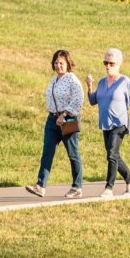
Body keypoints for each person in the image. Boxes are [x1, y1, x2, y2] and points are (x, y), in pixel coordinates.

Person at [25, 50, 85, 198]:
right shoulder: (54, 79)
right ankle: (40, 185)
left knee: (73, 153)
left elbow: (79, 99)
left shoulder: (72, 79)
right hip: (52, 120)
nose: (58, 66)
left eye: (62, 63)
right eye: (56, 63)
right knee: (47, 152)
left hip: (68, 119)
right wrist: (55, 116)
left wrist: (64, 115)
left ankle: (77, 187)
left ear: (68, 64)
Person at [86, 48, 130, 198]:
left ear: (118, 64)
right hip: (106, 124)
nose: (108, 66)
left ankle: (109, 188)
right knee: (114, 155)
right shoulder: (102, 82)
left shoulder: (125, 81)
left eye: (111, 63)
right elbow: (93, 101)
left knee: (111, 154)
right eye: (106, 63)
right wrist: (90, 86)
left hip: (120, 124)